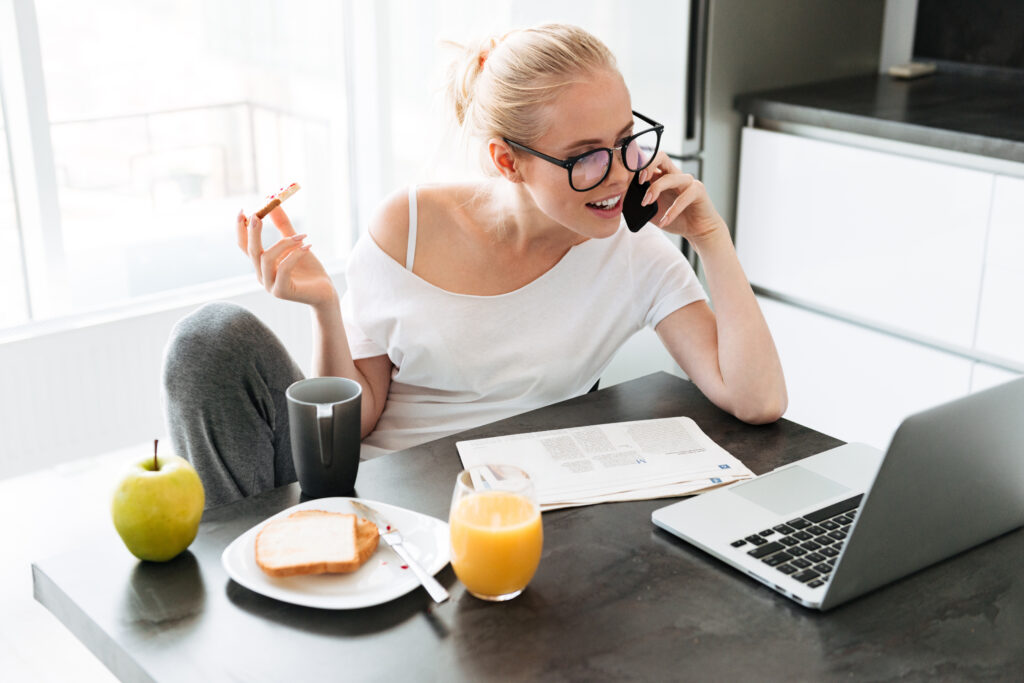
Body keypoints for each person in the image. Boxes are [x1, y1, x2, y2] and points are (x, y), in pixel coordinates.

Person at [163, 24, 787, 507]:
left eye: (627, 140)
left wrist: (711, 238)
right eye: (586, 156)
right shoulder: (405, 228)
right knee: (212, 339)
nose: (620, 172)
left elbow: (757, 400)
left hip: (510, 504)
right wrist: (328, 307)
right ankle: (248, 570)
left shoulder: (634, 253)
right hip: (385, 491)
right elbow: (355, 432)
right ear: (507, 160)